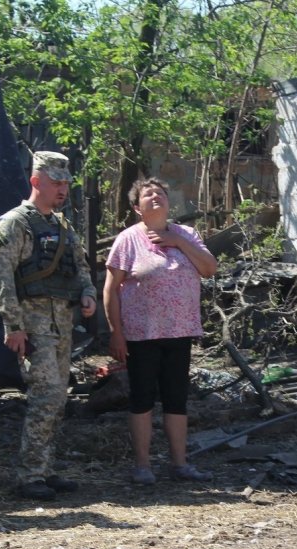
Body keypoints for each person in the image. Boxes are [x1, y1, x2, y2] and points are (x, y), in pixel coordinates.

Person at [0, 151, 97, 500]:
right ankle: (29, 474)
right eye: (55, 183)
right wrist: (13, 326)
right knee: (44, 399)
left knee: (57, 400)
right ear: (36, 182)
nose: (62, 190)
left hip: (61, 324)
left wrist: (88, 294)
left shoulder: (62, 226)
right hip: (33, 326)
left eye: (65, 183)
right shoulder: (14, 223)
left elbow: (80, 268)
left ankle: (45, 469)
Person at [104, 177, 219, 485]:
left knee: (176, 398)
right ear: (136, 207)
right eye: (148, 194)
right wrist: (116, 332)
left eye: (161, 193)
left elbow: (209, 269)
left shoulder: (188, 234)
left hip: (180, 331)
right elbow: (111, 289)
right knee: (142, 398)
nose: (156, 197)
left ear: (169, 202)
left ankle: (179, 464)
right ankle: (143, 466)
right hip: (142, 334)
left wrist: (179, 242)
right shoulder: (128, 240)